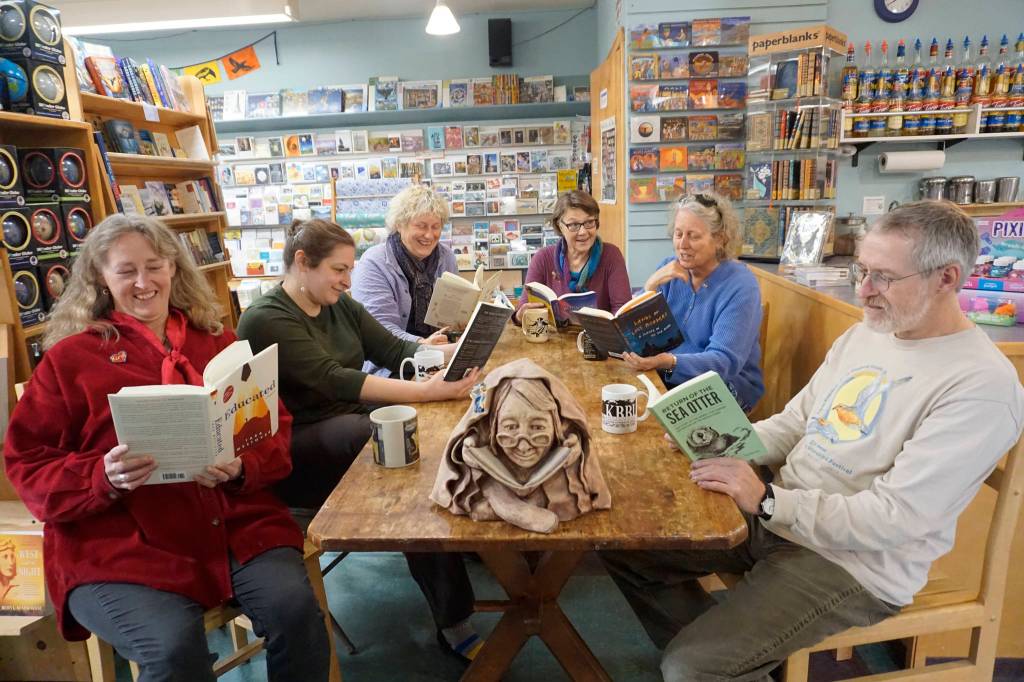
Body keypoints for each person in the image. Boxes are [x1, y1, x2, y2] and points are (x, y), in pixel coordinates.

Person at [601, 200, 1024, 682]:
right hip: (784, 516)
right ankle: (740, 655)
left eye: (883, 277)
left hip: (853, 565)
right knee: (625, 544)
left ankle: (716, 659)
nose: (863, 291)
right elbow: (794, 423)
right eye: (862, 269)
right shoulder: (870, 333)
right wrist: (716, 442)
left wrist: (767, 500)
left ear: (947, 278)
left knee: (691, 669)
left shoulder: (981, 386)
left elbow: (896, 520)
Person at [3, 214, 330, 682]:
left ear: (174, 268)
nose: (143, 282)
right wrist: (102, 476)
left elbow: (275, 430)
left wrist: (241, 466)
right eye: (126, 270)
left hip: (232, 519)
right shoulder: (70, 359)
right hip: (121, 541)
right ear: (99, 276)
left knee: (295, 613)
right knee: (174, 650)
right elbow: (27, 463)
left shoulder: (218, 341)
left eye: (154, 266)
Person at [236, 218, 485, 661]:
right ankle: (455, 614)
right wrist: (425, 390)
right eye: (338, 270)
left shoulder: (337, 304)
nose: (348, 280)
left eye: (349, 269)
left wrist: (460, 349)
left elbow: (393, 350)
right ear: (301, 263)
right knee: (389, 438)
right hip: (296, 451)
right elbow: (338, 381)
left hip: (350, 429)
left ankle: (457, 590)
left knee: (413, 446)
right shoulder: (266, 318)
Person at [623, 192, 764, 412]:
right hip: (667, 375)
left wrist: (667, 361)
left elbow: (724, 362)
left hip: (724, 386)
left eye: (694, 236)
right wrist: (650, 285)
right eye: (678, 234)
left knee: (654, 430)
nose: (683, 244)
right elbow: (633, 329)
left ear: (720, 239)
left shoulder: (741, 286)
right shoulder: (669, 267)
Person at [350, 185, 454, 375]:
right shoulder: (374, 263)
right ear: (399, 224)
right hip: (390, 366)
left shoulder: (446, 256)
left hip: (443, 357)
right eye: (421, 226)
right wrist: (422, 345)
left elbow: (452, 315)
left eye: (436, 226)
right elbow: (379, 331)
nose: (429, 235)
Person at [515, 190, 632, 324]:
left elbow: (623, 312)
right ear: (560, 225)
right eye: (574, 225)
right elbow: (522, 311)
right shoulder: (542, 258)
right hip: (553, 342)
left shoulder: (611, 256)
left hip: (598, 341)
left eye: (589, 222)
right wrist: (521, 315)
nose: (583, 232)